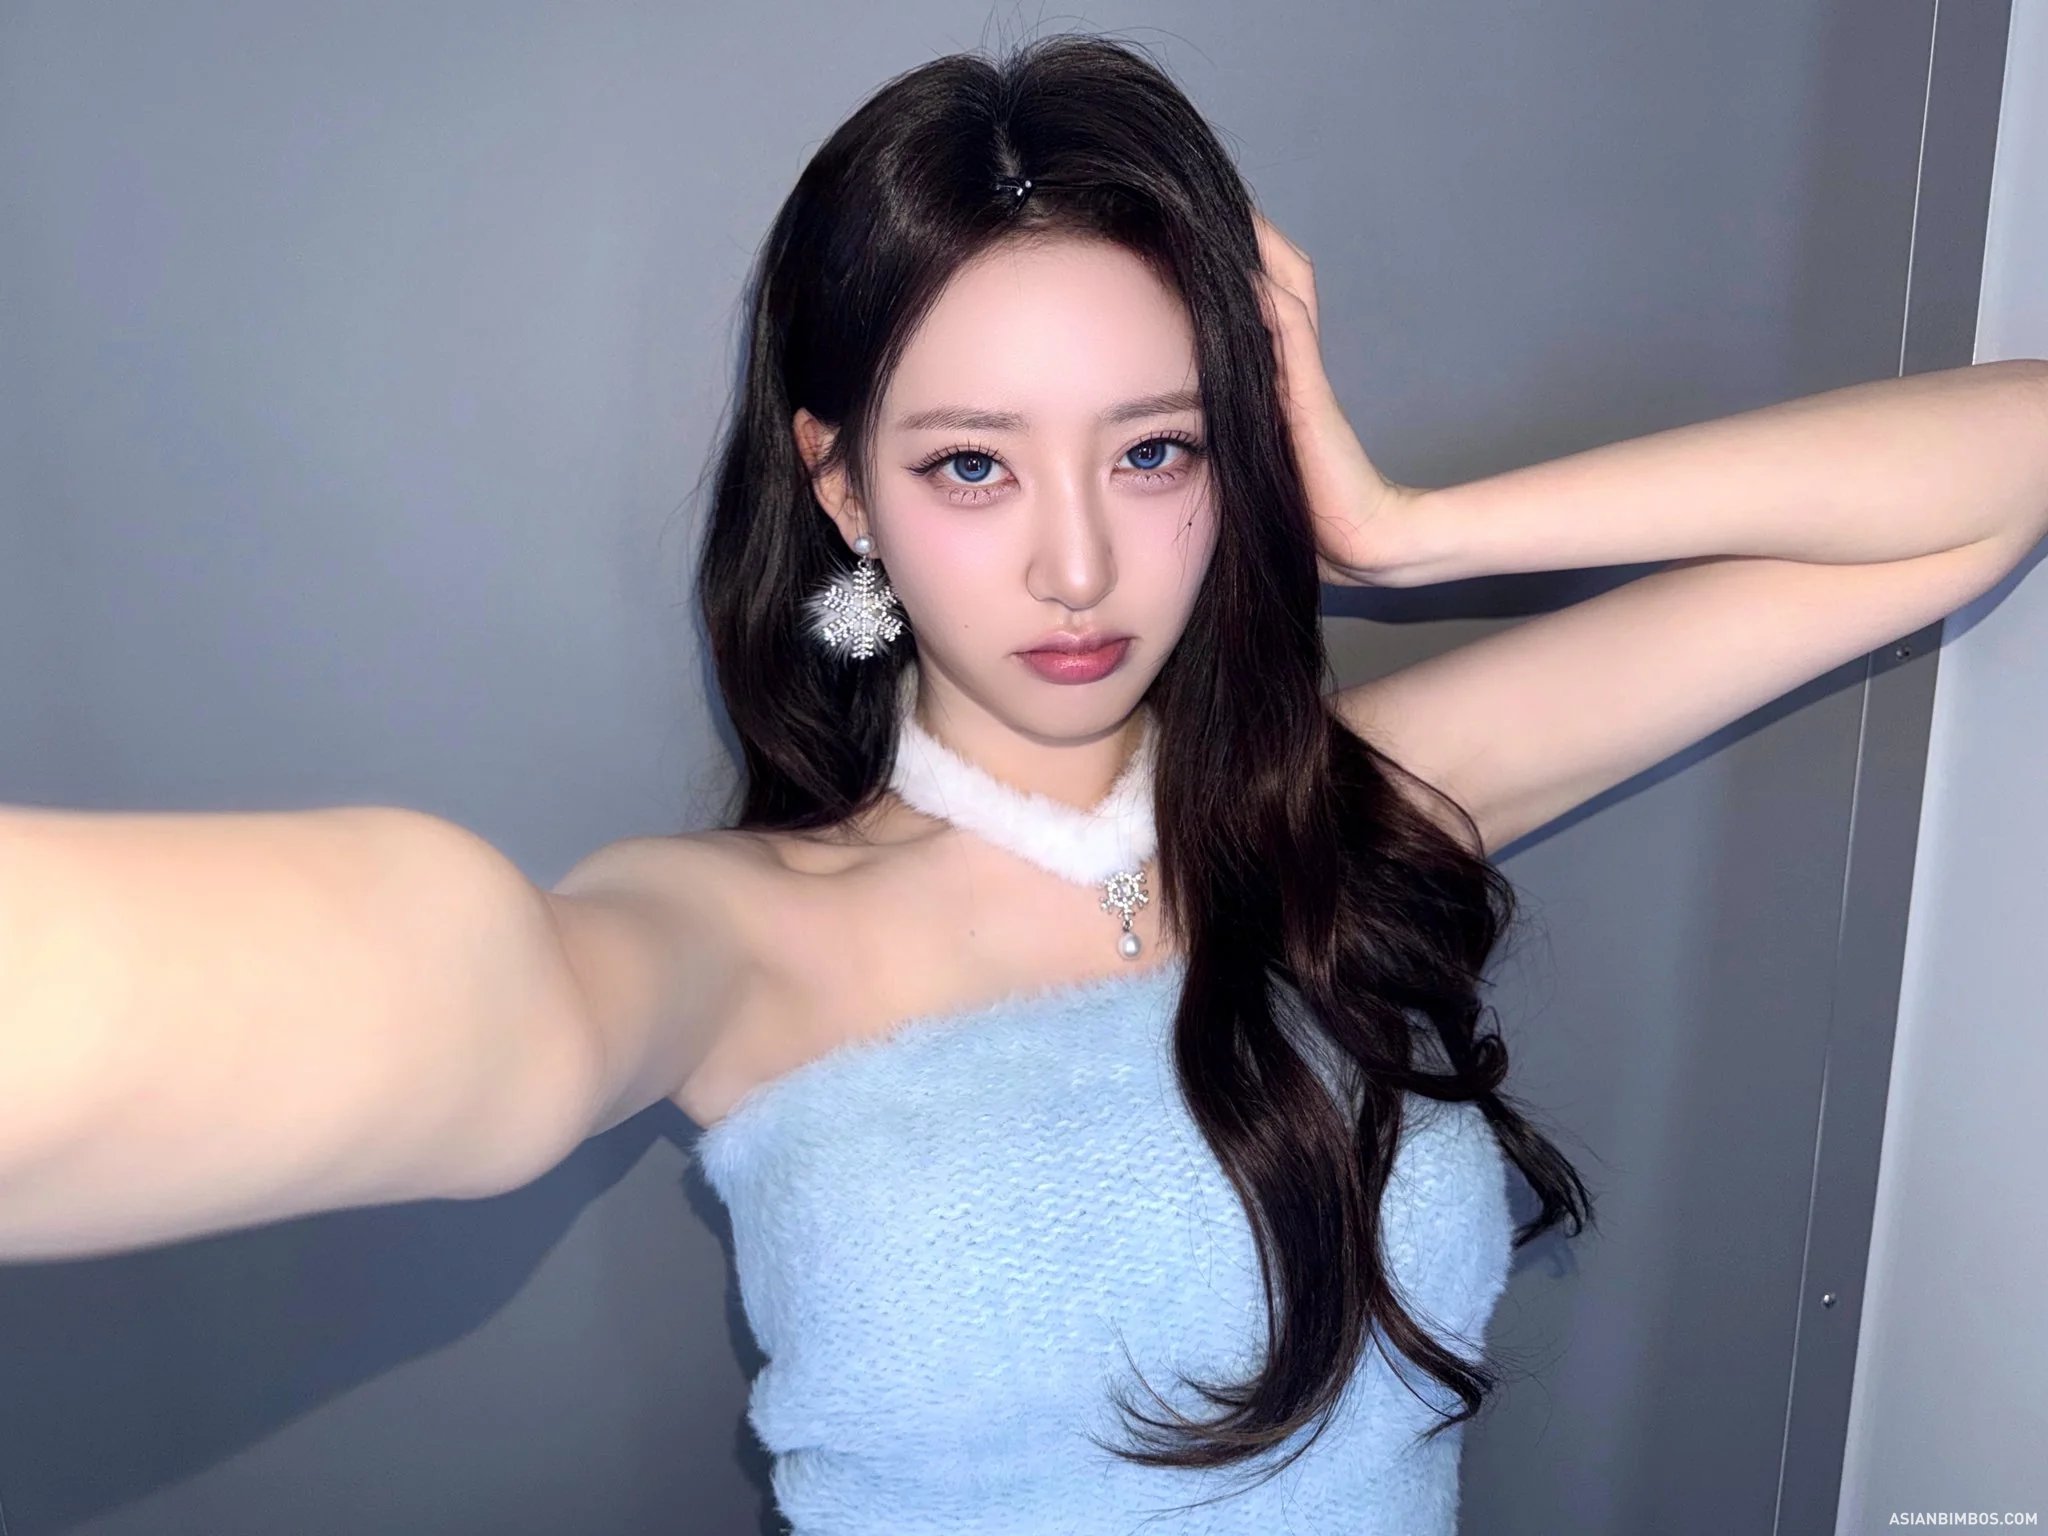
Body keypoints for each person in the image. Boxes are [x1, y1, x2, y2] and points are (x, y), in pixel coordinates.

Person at [4, 29, 2044, 1536]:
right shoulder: (736, 940)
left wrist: (1408, 528)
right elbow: (459, 992)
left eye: (1155, 450)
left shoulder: (1357, 797)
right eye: (972, 464)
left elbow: (1997, 467)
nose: (1078, 566)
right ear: (844, 490)